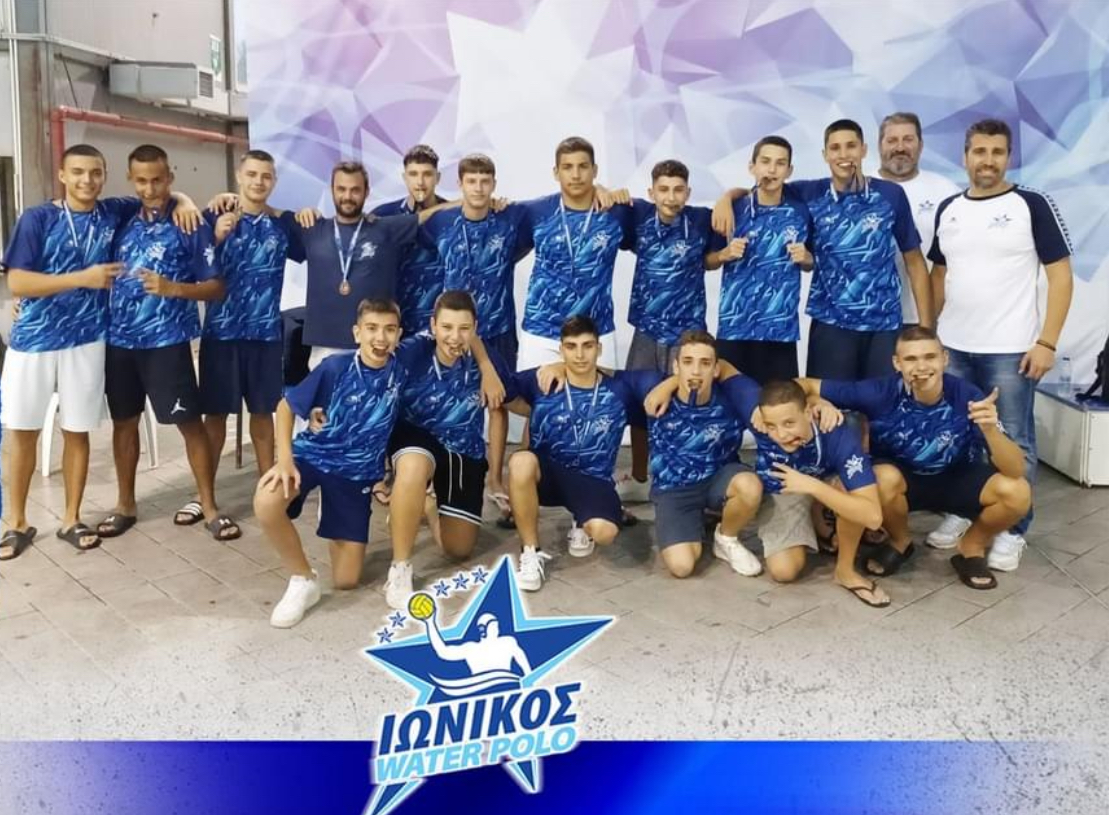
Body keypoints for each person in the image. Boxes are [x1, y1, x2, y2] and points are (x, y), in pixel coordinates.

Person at [0, 144, 200, 559]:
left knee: (77, 431)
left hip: (89, 340)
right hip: (34, 341)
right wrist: (82, 278)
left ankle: (71, 519)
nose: (86, 180)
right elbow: (17, 282)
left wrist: (185, 200)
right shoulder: (39, 218)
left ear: (105, 175)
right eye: (77, 172)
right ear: (62, 175)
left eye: (94, 172)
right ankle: (16, 523)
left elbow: (159, 191)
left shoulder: (113, 211)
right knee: (23, 431)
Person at [929, 118, 1073, 570]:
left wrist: (1047, 342)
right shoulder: (949, 208)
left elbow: (1060, 276)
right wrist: (931, 334)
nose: (987, 160)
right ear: (965, 157)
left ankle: (1014, 529)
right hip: (954, 347)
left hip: (1011, 350)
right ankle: (964, 509)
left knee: (1014, 440)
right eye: (979, 151)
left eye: (996, 152)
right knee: (962, 437)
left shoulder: (1031, 204)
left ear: (1008, 157)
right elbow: (938, 274)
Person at [797, 326, 1031, 589]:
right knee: (882, 478)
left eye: (930, 357)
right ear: (897, 363)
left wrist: (991, 430)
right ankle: (900, 541)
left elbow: (1015, 470)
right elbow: (803, 385)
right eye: (911, 359)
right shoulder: (879, 391)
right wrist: (819, 401)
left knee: (1017, 492)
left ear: (944, 359)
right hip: (902, 482)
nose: (921, 367)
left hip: (956, 477)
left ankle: (972, 546)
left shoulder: (968, 395)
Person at [96, 144, 240, 543]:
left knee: (189, 425)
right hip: (120, 343)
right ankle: (125, 505)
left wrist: (173, 288)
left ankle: (209, 507)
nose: (150, 188)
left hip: (167, 344)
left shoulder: (188, 223)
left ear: (169, 177)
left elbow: (216, 287)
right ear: (131, 180)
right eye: (141, 181)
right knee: (124, 424)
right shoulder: (120, 218)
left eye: (158, 180)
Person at [713, 119, 933, 380]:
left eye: (851, 146)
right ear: (825, 155)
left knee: (881, 402)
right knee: (825, 403)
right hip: (830, 323)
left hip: (883, 324)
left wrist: (927, 329)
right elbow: (767, 185)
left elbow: (915, 262)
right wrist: (727, 197)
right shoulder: (808, 193)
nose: (843, 155)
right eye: (835, 148)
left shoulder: (890, 194)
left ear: (863, 150)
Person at [170, 150, 306, 526]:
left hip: (265, 335)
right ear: (239, 175)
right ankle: (203, 497)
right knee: (215, 418)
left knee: (263, 416)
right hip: (221, 335)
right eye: (252, 174)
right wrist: (215, 235)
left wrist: (301, 214)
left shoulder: (283, 225)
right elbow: (190, 266)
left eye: (266, 176)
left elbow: (315, 247)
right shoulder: (213, 215)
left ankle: (269, 493)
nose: (258, 181)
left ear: (274, 181)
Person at [254, 298, 405, 628]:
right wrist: (284, 460)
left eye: (389, 329)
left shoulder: (403, 370)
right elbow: (285, 407)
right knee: (266, 500)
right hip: (314, 454)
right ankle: (302, 579)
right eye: (371, 329)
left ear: (399, 334)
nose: (380, 338)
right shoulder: (335, 366)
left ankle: (332, 507)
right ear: (357, 333)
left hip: (355, 474)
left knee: (346, 580)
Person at [384, 290, 514, 608]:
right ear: (433, 326)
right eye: (446, 327)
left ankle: (428, 504)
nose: (454, 337)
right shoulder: (413, 351)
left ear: (475, 329)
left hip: (462, 451)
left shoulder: (486, 360)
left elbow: (499, 411)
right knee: (414, 466)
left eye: (463, 328)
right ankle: (400, 568)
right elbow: (372, 372)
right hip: (417, 440)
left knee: (458, 550)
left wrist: (495, 479)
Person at [422, 153, 533, 520]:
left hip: (497, 327)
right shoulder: (442, 222)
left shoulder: (508, 220)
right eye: (471, 181)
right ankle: (434, 476)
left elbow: (536, 226)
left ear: (494, 184)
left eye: (485, 181)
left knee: (497, 402)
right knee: (444, 400)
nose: (479, 188)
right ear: (460, 184)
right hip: (453, 333)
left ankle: (495, 479)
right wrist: (450, 204)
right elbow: (410, 223)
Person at [504, 316, 643, 591]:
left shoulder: (619, 389)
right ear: (561, 350)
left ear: (599, 349)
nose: (579, 355)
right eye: (571, 347)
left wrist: (641, 470)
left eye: (587, 346)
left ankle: (582, 517)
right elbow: (503, 391)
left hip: (593, 479)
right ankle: (530, 552)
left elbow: (646, 417)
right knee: (520, 461)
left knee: (605, 533)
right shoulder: (542, 380)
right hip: (548, 474)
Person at [722, 379, 888, 606]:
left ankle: (845, 571)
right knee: (784, 571)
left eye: (789, 423)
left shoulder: (836, 431)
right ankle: (817, 521)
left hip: (822, 483)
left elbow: (872, 516)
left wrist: (812, 486)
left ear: (809, 413)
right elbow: (722, 368)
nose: (781, 434)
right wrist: (672, 384)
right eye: (771, 426)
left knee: (849, 492)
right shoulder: (757, 409)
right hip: (783, 490)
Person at [616, 160, 715, 503]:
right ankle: (641, 476)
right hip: (647, 328)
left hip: (688, 334)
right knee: (639, 403)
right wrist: (605, 191)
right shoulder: (638, 216)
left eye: (678, 190)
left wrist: (729, 196)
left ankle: (684, 477)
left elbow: (733, 218)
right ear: (651, 192)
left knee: (688, 404)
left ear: (688, 192)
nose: (671, 197)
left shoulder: (702, 220)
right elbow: (602, 200)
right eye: (664, 190)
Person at [625, 330, 758, 579]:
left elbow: (776, 400)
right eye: (688, 362)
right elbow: (602, 376)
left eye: (705, 363)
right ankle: (696, 520)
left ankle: (726, 538)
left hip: (719, 478)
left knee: (750, 486)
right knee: (682, 566)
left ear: (716, 369)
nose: (696, 371)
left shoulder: (732, 396)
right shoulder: (653, 389)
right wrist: (559, 368)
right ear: (676, 367)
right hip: (675, 491)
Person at [517, 136, 635, 371]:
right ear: (556, 172)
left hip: (596, 333)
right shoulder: (534, 212)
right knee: (536, 395)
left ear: (595, 170)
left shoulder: (617, 212)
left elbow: (655, 231)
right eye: (567, 167)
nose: (576, 175)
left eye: (583, 166)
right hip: (541, 331)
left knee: (601, 396)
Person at [706, 135, 813, 384]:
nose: (772, 170)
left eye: (780, 163)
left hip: (780, 330)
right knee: (731, 401)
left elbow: (813, 262)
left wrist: (807, 258)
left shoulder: (801, 212)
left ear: (789, 170)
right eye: (765, 161)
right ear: (752, 166)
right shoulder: (732, 209)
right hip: (735, 327)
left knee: (779, 402)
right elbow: (707, 261)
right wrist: (724, 254)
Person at [876, 112, 960, 328]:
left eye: (908, 140)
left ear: (921, 145)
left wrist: (930, 322)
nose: (900, 148)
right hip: (874, 319)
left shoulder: (946, 191)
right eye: (892, 140)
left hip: (932, 318)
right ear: (879, 145)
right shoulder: (860, 188)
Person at [371, 144, 449, 336]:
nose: (420, 182)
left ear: (438, 177)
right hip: (392, 325)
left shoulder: (454, 216)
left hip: (440, 326)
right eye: (413, 174)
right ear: (404, 177)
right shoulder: (383, 215)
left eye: (427, 174)